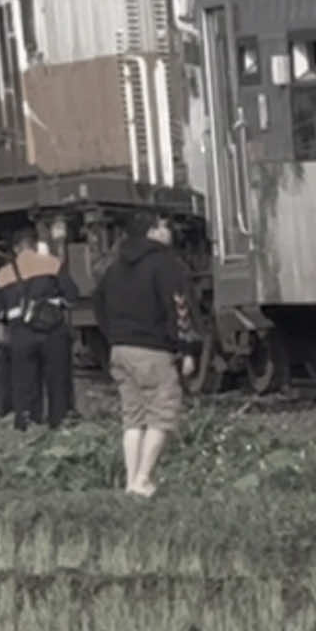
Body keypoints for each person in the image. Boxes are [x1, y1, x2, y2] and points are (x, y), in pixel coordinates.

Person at [93, 212, 199, 498]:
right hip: (152, 350)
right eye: (163, 226)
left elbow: (98, 305)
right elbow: (180, 309)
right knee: (163, 412)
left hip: (120, 349)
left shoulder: (114, 267)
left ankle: (131, 482)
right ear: (153, 232)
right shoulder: (166, 264)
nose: (169, 231)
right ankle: (143, 478)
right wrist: (188, 349)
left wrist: (114, 335)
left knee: (133, 416)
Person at [0, 227, 79, 430]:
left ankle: (27, 426)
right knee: (58, 383)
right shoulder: (52, 264)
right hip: (53, 333)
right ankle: (59, 424)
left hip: (21, 336)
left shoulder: (3, 274)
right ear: (34, 244)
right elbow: (72, 297)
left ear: (16, 249)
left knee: (25, 385)